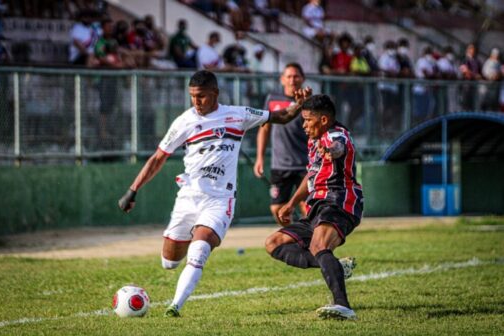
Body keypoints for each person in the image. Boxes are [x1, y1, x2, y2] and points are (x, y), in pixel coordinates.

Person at [118, 70, 312, 317]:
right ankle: (193, 234)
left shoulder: (238, 115)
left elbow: (282, 116)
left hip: (220, 199)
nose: (196, 102)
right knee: (169, 262)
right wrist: (132, 190)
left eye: (201, 96)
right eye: (192, 97)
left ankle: (174, 307)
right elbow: (158, 158)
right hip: (188, 198)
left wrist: (299, 104)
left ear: (215, 93)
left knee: (199, 251)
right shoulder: (183, 122)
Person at [265, 94, 363, 320]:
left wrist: (331, 152)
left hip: (340, 201)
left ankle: (343, 306)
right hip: (317, 206)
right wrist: (290, 204)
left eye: (308, 120)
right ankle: (336, 266)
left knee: (319, 245)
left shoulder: (336, 135)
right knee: (273, 243)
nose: (303, 125)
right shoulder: (313, 141)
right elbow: (311, 175)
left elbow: (338, 147)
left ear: (324, 121)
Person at [253, 63, 308, 225]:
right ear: (282, 79)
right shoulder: (272, 99)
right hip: (280, 165)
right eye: (289, 76)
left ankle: (311, 240)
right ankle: (293, 238)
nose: (292, 80)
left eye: (296, 76)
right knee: (277, 209)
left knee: (308, 206)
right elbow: (264, 130)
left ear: (302, 78)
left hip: (305, 164)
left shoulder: (309, 102)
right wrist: (259, 158)